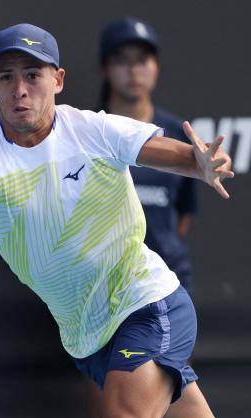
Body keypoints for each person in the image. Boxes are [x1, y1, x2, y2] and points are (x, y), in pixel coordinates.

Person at [0, 23, 232, 418]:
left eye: (32, 75)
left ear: (57, 80)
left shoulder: (95, 130)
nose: (19, 89)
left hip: (145, 302)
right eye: (7, 77)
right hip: (88, 338)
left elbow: (174, 156)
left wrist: (198, 162)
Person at [99, 17, 198, 292]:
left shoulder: (180, 132)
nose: (133, 70)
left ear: (156, 67)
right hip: (103, 285)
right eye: (121, 60)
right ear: (104, 68)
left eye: (143, 59)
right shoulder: (85, 131)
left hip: (168, 281)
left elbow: (183, 215)